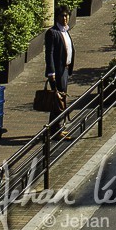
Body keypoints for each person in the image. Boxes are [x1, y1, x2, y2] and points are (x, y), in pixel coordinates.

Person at [44, 8, 75, 137]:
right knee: (59, 100)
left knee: (59, 99)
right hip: (58, 71)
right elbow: (49, 53)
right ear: (57, 17)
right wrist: (51, 72)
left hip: (66, 70)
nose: (65, 18)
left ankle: (54, 128)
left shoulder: (65, 31)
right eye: (62, 16)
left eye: (67, 16)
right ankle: (56, 129)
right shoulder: (52, 33)